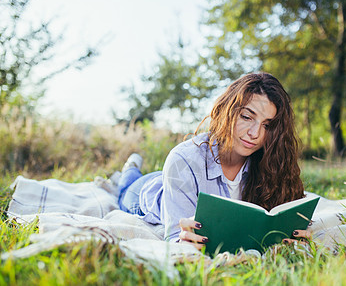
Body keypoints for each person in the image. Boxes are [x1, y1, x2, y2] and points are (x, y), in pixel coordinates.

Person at [117, 72, 310, 250]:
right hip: (146, 194)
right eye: (246, 117)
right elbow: (176, 237)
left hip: (177, 181)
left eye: (267, 125)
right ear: (227, 111)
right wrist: (182, 240)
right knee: (126, 185)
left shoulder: (269, 161)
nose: (255, 134)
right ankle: (130, 167)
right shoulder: (183, 159)